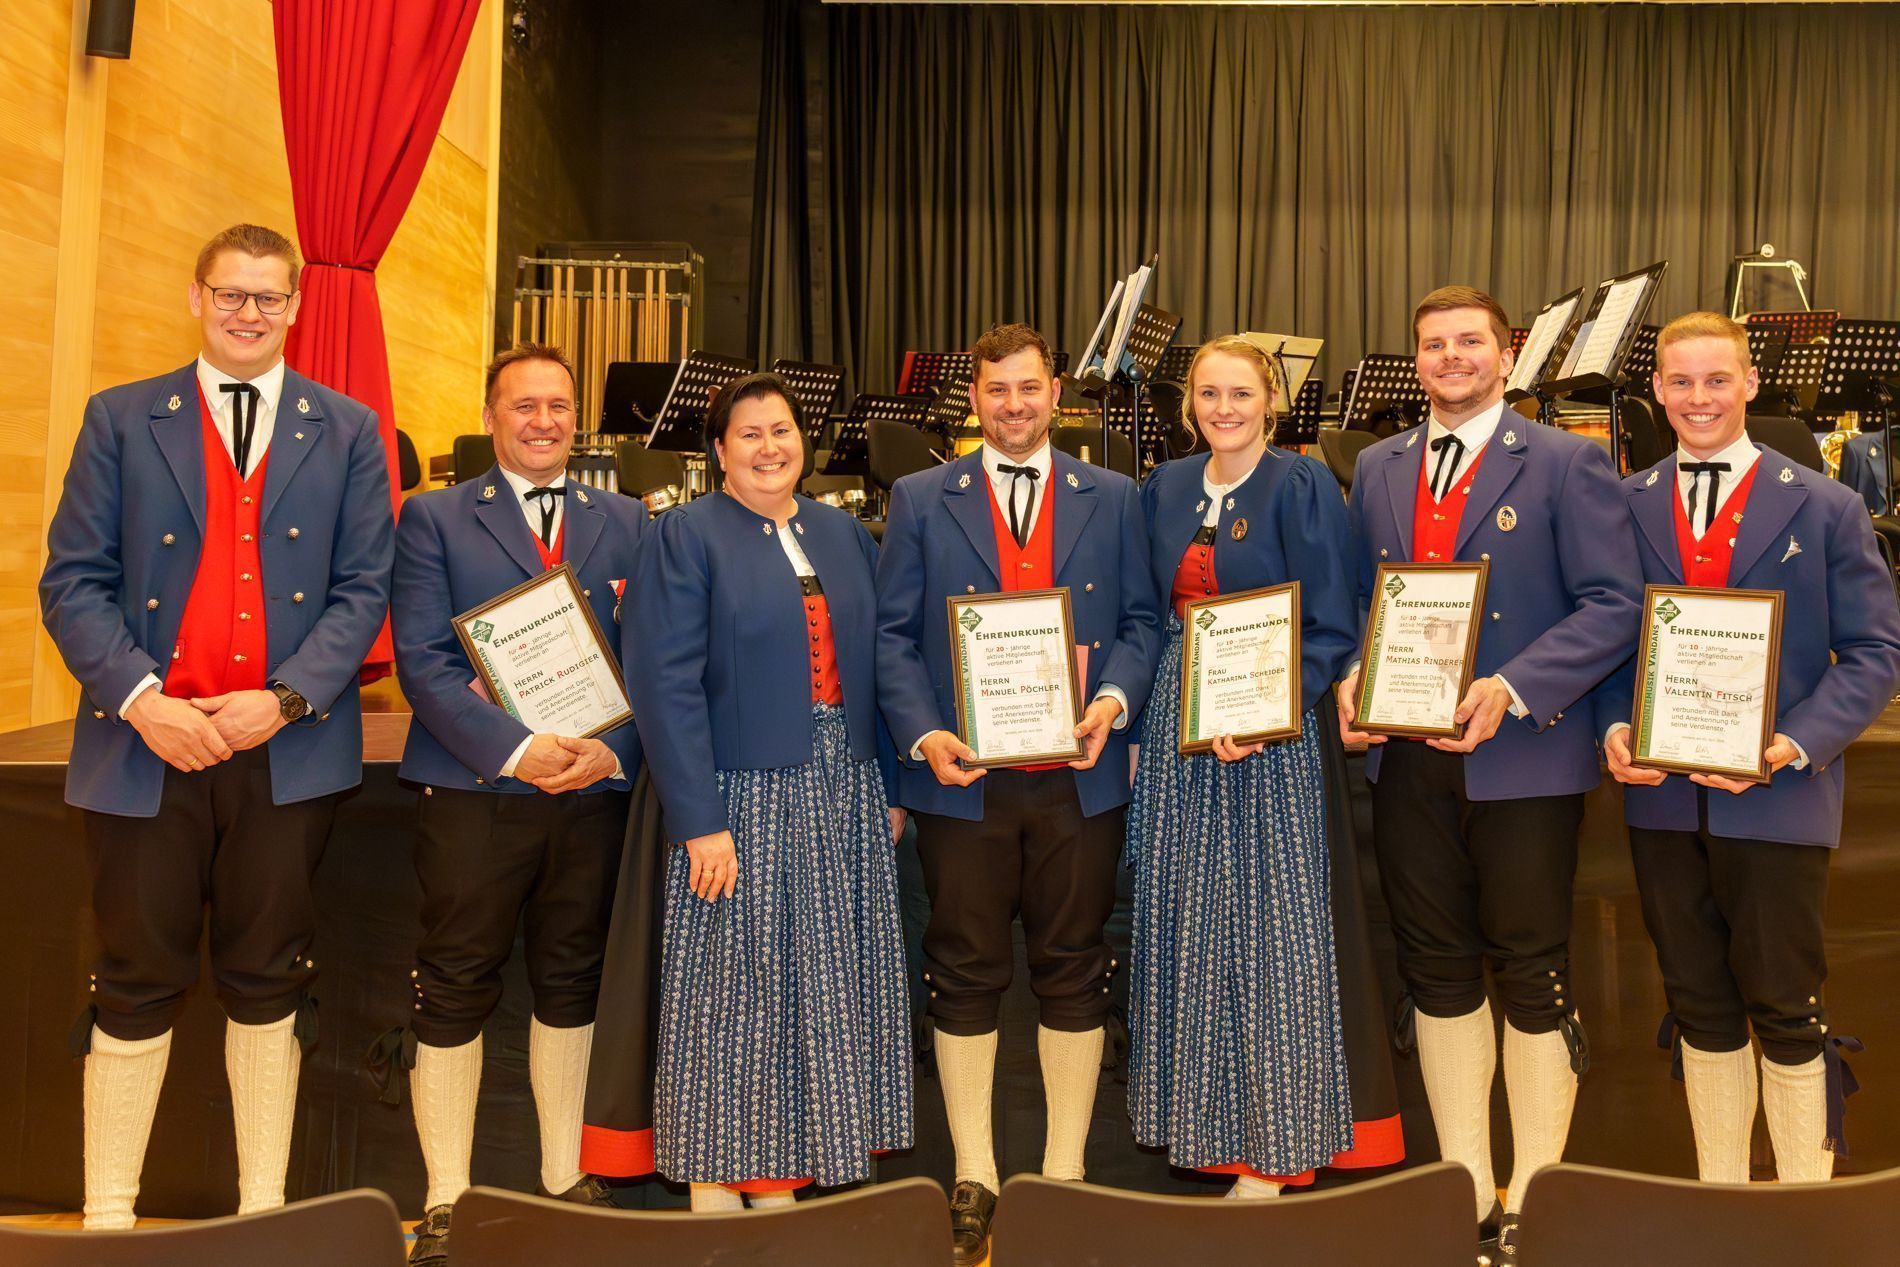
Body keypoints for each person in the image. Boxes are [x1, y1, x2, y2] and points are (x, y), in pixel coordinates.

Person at [39, 223, 393, 1228]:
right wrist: (144, 701)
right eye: (230, 293)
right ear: (197, 297)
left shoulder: (349, 429)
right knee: (134, 977)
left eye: (268, 296)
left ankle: (263, 1218)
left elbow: (364, 589)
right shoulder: (120, 418)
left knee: (269, 978)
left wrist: (283, 698)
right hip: (142, 745)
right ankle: (109, 1221)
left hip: (285, 748)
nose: (248, 312)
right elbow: (71, 582)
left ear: (295, 308)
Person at [1339, 286, 1642, 1258]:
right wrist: (1352, 674)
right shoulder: (1377, 465)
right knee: (1434, 972)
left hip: (1524, 761)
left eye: (1469, 341)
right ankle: (1468, 1187)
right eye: (1433, 344)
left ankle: (1537, 1194)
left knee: (1531, 970)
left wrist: (1511, 687)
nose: (1451, 357)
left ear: (1506, 354)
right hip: (1406, 762)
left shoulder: (1565, 461)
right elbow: (1360, 602)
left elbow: (1614, 603)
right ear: (1415, 359)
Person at [876, 323, 1162, 1265]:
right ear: (973, 399)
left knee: (1074, 964)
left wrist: (1113, 702)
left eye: (1028, 388)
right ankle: (975, 1174)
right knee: (963, 969)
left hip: (1080, 775)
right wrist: (924, 733)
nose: (1013, 405)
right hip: (962, 779)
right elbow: (891, 637)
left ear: (1056, 394)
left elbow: (1142, 622)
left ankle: (1065, 1176)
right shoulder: (921, 497)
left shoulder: (1113, 495)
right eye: (996, 390)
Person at [1601, 312, 1900, 1185]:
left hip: (1780, 795)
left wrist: (1796, 742)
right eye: (1681, 381)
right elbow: (1603, 640)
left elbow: (1877, 652)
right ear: (1658, 390)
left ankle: (1801, 1210)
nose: (1699, 398)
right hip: (1661, 798)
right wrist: (1612, 727)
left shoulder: (1829, 504)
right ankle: (1721, 1199)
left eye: (1717, 379)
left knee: (1786, 1005)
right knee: (1698, 1004)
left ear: (1750, 384)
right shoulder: (1620, 504)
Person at [386, 343, 647, 1266]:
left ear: (579, 418)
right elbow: (423, 661)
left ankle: (563, 1182)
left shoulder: (627, 518)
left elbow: (652, 658)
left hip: (592, 790)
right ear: (491, 416)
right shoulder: (434, 517)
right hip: (477, 790)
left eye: (558, 406)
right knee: (455, 983)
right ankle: (445, 1197)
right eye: (524, 405)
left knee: (572, 979)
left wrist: (609, 751)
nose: (543, 421)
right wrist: (519, 750)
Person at [1129, 335, 1404, 1198]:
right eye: (1208, 393)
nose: (1224, 408)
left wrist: (1264, 712)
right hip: (1179, 729)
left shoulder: (1301, 482)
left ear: (1271, 401)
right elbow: (1148, 614)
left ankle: (1278, 1144)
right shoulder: (1165, 485)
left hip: (1273, 737)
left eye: (1241, 393)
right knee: (1189, 925)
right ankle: (1208, 1129)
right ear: (1190, 404)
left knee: (1272, 933)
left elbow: (1332, 623)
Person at [630, 372, 911, 1211]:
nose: (769, 447)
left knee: (824, 990)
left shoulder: (843, 531)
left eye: (781, 430)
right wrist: (699, 820)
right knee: (736, 995)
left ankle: (795, 1168)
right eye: (748, 434)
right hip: (739, 796)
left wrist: (889, 784)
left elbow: (880, 664)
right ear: (719, 451)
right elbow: (664, 685)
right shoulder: (685, 534)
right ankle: (723, 1186)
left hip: (844, 788)